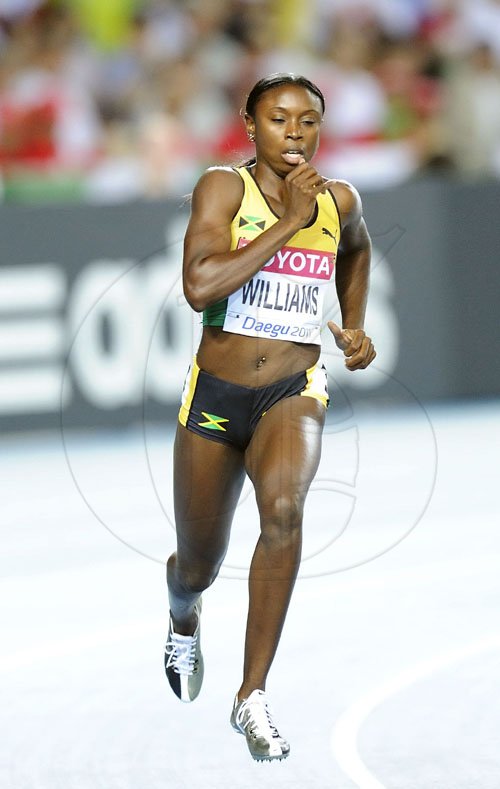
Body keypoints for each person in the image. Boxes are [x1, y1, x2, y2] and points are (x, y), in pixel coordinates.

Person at [164, 72, 376, 763]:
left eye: (308, 121)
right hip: (216, 399)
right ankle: (182, 613)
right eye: (279, 120)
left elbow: (358, 249)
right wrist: (287, 222)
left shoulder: (339, 200)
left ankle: (251, 694)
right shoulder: (224, 188)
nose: (295, 133)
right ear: (250, 126)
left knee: (283, 509)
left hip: (294, 386)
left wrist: (354, 325)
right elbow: (200, 287)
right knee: (197, 564)